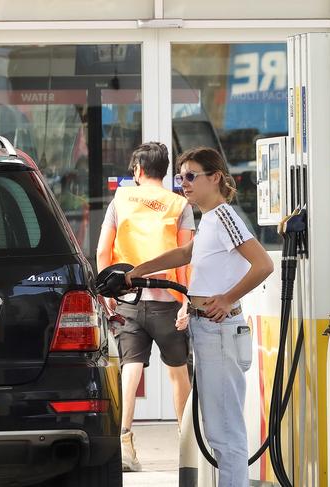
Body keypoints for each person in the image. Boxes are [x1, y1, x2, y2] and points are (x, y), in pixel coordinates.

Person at [125, 146, 274, 486]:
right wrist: (140, 270)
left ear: (215, 177)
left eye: (191, 176)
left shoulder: (224, 216)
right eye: (180, 177)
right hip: (207, 330)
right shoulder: (210, 219)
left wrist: (227, 298)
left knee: (224, 433)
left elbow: (263, 264)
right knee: (217, 429)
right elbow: (185, 252)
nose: (184, 184)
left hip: (220, 332)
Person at [96, 142, 194, 472]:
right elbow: (187, 258)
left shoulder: (120, 200)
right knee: (178, 371)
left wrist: (105, 290)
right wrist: (188, 303)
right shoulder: (179, 203)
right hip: (168, 300)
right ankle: (187, 448)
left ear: (138, 170)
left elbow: (101, 251)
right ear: (165, 170)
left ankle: (125, 445)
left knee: (130, 368)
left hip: (128, 299)